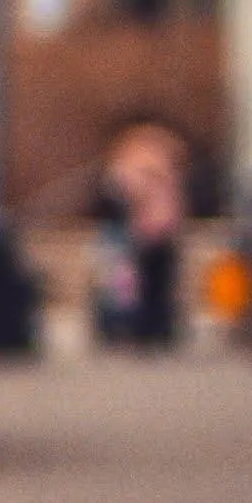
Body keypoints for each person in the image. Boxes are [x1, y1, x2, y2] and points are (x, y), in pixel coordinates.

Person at [91, 117, 189, 345]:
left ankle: (146, 327)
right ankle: (141, 326)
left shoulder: (147, 172)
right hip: (145, 233)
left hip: (150, 233)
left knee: (147, 285)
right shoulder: (151, 171)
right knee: (139, 286)